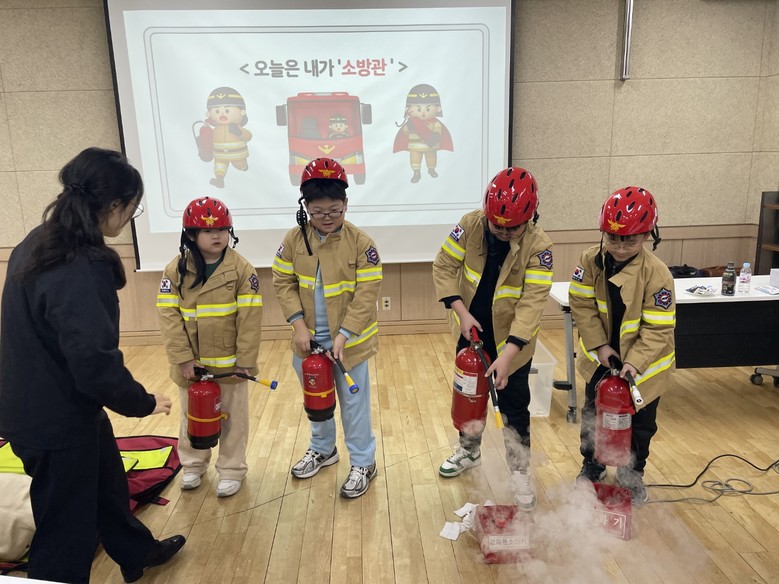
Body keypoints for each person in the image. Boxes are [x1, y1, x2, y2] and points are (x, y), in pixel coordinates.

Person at [0, 147, 185, 584]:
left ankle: (137, 553)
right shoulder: (78, 265)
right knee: (66, 530)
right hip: (53, 419)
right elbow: (93, 362)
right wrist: (142, 402)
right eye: (133, 208)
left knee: (106, 482)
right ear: (114, 205)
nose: (129, 218)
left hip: (42, 402)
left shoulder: (42, 240)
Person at [432, 167, 553, 511]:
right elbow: (443, 266)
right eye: (496, 225)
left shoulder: (539, 247)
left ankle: (519, 472)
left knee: (514, 408)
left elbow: (532, 304)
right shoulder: (470, 225)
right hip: (471, 331)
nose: (502, 232)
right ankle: (468, 451)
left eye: (512, 227)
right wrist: (461, 312)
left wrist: (509, 355)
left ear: (530, 218)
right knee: (468, 397)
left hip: (512, 343)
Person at [272, 158, 382, 499]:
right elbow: (282, 282)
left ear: (345, 203)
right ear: (305, 207)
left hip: (349, 344)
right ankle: (323, 449)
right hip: (307, 342)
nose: (327, 218)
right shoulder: (294, 240)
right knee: (316, 400)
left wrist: (344, 334)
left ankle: (363, 462)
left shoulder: (361, 243)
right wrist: (298, 326)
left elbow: (367, 294)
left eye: (334, 210)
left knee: (354, 405)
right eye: (318, 212)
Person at [569, 186, 675, 504]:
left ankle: (632, 474)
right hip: (602, 360)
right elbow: (581, 304)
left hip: (644, 367)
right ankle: (593, 465)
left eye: (629, 240)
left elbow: (657, 329)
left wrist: (634, 363)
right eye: (612, 238)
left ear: (647, 235)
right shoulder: (590, 260)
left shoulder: (657, 275)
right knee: (594, 414)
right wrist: (600, 346)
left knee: (640, 424)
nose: (619, 247)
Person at [157, 196, 263, 498]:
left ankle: (231, 470)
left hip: (230, 365)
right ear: (191, 235)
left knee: (233, 419)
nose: (217, 235)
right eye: (207, 230)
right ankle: (193, 465)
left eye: (222, 229)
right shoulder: (175, 270)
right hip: (192, 365)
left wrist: (246, 362)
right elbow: (168, 317)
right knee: (191, 415)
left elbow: (250, 319)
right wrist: (182, 358)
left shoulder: (242, 270)